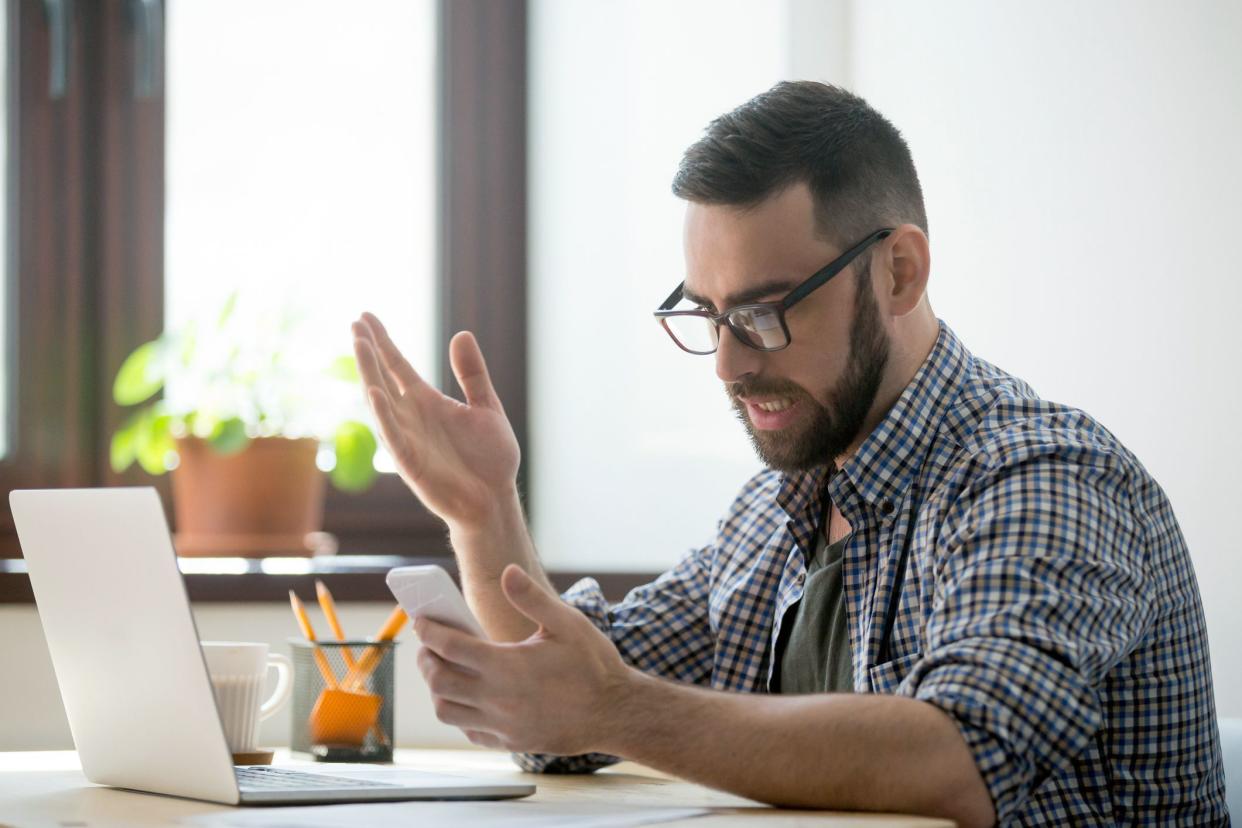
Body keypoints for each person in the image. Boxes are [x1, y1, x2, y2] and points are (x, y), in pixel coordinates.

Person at [351, 81, 1228, 826]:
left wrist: (615, 705)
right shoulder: (779, 512)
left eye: (766, 313)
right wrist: (484, 510)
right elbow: (561, 708)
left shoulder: (1044, 476)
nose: (731, 363)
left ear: (899, 273)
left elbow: (965, 755)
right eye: (709, 315)